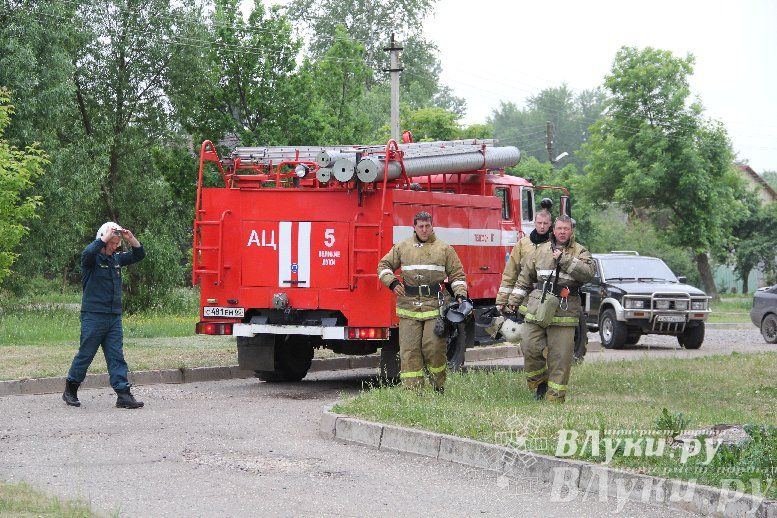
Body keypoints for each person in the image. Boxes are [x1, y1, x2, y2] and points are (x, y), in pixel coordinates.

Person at [377, 211, 467, 392]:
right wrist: (392, 282)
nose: (424, 230)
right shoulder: (402, 247)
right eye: (421, 227)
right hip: (408, 307)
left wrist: (461, 295)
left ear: (432, 226)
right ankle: (413, 391)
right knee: (409, 351)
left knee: (433, 348)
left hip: (434, 306)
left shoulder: (444, 249)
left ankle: (438, 385)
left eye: (427, 226)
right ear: (414, 228)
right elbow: (383, 266)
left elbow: (457, 275)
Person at [62, 222, 146, 409]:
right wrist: (105, 237)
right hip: (93, 316)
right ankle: (70, 390)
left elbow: (139, 255)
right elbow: (88, 252)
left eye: (117, 244)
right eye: (111, 243)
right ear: (103, 239)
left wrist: (130, 238)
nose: (114, 247)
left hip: (113, 317)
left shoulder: (116, 259)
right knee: (86, 355)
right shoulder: (91, 260)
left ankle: (123, 394)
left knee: (116, 356)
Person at [511, 215, 594, 402]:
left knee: (560, 357)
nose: (562, 232)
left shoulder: (581, 251)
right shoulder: (540, 251)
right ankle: (540, 383)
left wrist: (564, 259)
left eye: (566, 229)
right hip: (537, 307)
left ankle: (554, 398)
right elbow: (525, 277)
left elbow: (588, 274)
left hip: (565, 310)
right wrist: (514, 300)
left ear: (571, 231)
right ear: (553, 230)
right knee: (529, 346)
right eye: (559, 229)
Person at [496, 209, 553, 313]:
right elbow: (511, 272)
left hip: (548, 296)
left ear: (550, 224)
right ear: (534, 223)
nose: (542, 226)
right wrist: (502, 300)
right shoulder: (523, 244)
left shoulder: (554, 244)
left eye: (545, 223)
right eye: (539, 223)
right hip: (524, 297)